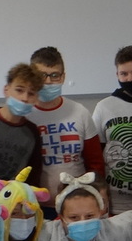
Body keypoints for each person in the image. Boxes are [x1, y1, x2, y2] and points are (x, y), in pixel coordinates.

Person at [27, 45, 105, 207]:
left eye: (54, 75)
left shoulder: (80, 112)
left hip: (76, 206)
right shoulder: (24, 115)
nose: (48, 81)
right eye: (41, 75)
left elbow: (95, 164)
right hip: (34, 206)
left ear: (63, 77)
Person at [90, 44, 132, 215]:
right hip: (114, 202)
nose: (130, 79)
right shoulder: (104, 107)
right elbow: (96, 153)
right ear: (117, 74)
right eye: (124, 74)